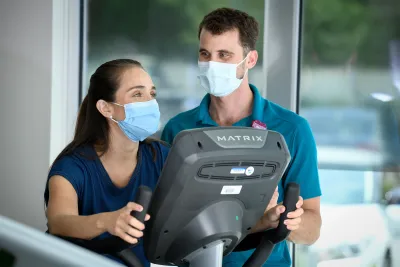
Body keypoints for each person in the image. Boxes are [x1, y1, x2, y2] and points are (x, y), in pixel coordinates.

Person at [161, 7, 322, 267]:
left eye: (224, 55)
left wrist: (284, 219)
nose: (212, 64)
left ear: (250, 59)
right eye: (205, 54)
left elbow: (312, 229)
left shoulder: (292, 129)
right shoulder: (179, 129)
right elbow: (166, 219)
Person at [44, 59, 169, 267]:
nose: (150, 102)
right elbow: (59, 221)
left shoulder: (162, 156)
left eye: (152, 94)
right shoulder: (71, 167)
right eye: (138, 94)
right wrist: (108, 221)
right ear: (106, 108)